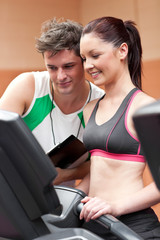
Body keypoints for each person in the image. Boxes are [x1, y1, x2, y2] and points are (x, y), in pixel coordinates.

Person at [76, 16, 160, 239]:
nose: (88, 65)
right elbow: (99, 168)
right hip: (92, 224)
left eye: (95, 55)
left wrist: (115, 206)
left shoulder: (146, 109)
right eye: (84, 58)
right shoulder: (90, 109)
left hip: (132, 227)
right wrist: (72, 196)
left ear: (122, 51)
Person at [0, 18, 104, 186]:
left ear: (84, 61)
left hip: (60, 201)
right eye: (52, 68)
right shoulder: (28, 86)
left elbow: (104, 164)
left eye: (68, 66)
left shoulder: (101, 102)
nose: (60, 76)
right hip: (14, 192)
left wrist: (64, 175)